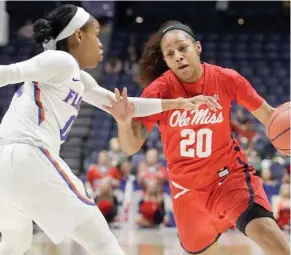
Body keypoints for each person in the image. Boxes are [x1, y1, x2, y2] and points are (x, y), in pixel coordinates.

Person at [0, 6, 213, 255]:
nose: (101, 44)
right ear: (78, 36)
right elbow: (7, 73)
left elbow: (123, 106)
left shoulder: (77, 77)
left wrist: (177, 103)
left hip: (6, 161)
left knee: (16, 244)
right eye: (96, 34)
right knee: (101, 240)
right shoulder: (61, 60)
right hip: (28, 154)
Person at [113, 21, 290, 255]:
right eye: (170, 53)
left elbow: (269, 116)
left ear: (197, 47)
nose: (178, 56)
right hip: (186, 191)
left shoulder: (227, 79)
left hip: (228, 177)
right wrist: (124, 123)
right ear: (165, 61)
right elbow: (130, 147)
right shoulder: (158, 92)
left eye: (182, 48)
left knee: (268, 233)